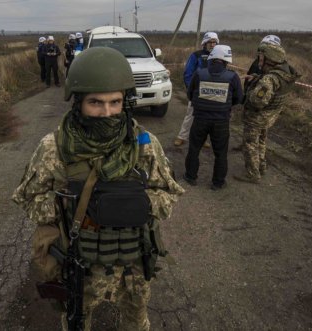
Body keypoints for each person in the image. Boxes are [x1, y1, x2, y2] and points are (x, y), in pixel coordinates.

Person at [12, 47, 184, 331]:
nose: (107, 113)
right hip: (81, 266)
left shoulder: (143, 144)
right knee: (77, 322)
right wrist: (68, 207)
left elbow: (168, 193)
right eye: (95, 102)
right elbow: (29, 197)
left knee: (136, 324)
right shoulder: (54, 147)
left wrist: (133, 205)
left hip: (134, 265)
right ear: (78, 102)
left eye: (115, 102)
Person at [234, 43, 300, 184]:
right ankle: (262, 167)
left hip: (257, 117)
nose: (259, 60)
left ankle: (253, 174)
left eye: (262, 57)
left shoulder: (269, 79)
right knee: (262, 140)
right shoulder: (286, 74)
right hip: (270, 116)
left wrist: (251, 91)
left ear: (270, 59)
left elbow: (257, 101)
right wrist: (258, 79)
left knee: (250, 144)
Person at [183, 45, 243, 190]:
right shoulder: (233, 76)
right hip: (221, 122)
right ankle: (218, 183)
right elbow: (238, 98)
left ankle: (190, 177)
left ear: (212, 58)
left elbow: (190, 94)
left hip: (200, 119)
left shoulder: (199, 74)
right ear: (226, 60)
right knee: (221, 153)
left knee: (194, 149)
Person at [233, 34, 282, 152]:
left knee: (259, 129)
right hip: (254, 97)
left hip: (261, 102)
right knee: (252, 128)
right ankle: (248, 144)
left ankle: (255, 150)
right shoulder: (259, 62)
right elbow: (251, 78)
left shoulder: (274, 67)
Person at [174, 31, 219, 147]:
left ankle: (203, 139)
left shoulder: (218, 56)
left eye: (214, 42)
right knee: (191, 114)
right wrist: (191, 89)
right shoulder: (196, 55)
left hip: (212, 92)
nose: (212, 45)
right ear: (204, 43)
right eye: (210, 42)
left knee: (206, 117)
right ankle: (182, 136)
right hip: (196, 91)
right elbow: (188, 74)